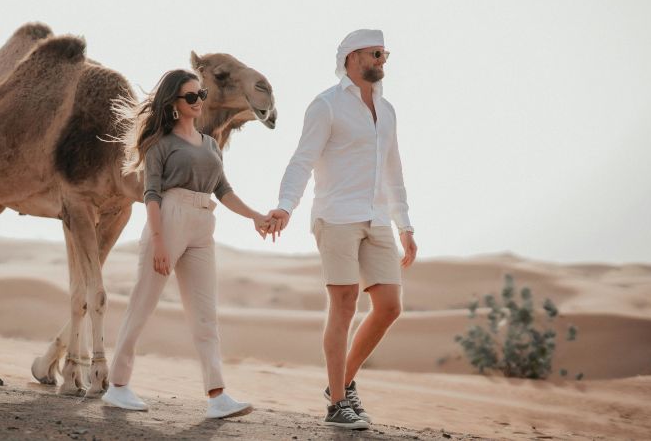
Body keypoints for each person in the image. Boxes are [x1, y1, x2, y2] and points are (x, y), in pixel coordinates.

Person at [265, 29, 418, 430]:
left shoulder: (388, 111)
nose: (382, 60)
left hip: (377, 217)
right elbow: (302, 160)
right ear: (352, 58)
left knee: (389, 306)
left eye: (386, 54)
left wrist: (406, 224)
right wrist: (285, 206)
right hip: (336, 216)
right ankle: (337, 403)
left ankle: (342, 383)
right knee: (345, 302)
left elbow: (394, 170)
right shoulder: (326, 105)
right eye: (376, 53)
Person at [102, 69, 269, 419]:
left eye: (201, 95)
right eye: (190, 96)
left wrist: (255, 216)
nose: (198, 102)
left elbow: (224, 190)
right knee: (142, 306)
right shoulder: (160, 145)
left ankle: (217, 395)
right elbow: (151, 194)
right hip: (169, 218)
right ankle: (117, 386)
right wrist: (159, 241)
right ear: (174, 104)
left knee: (205, 316)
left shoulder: (209, 143)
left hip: (202, 224)